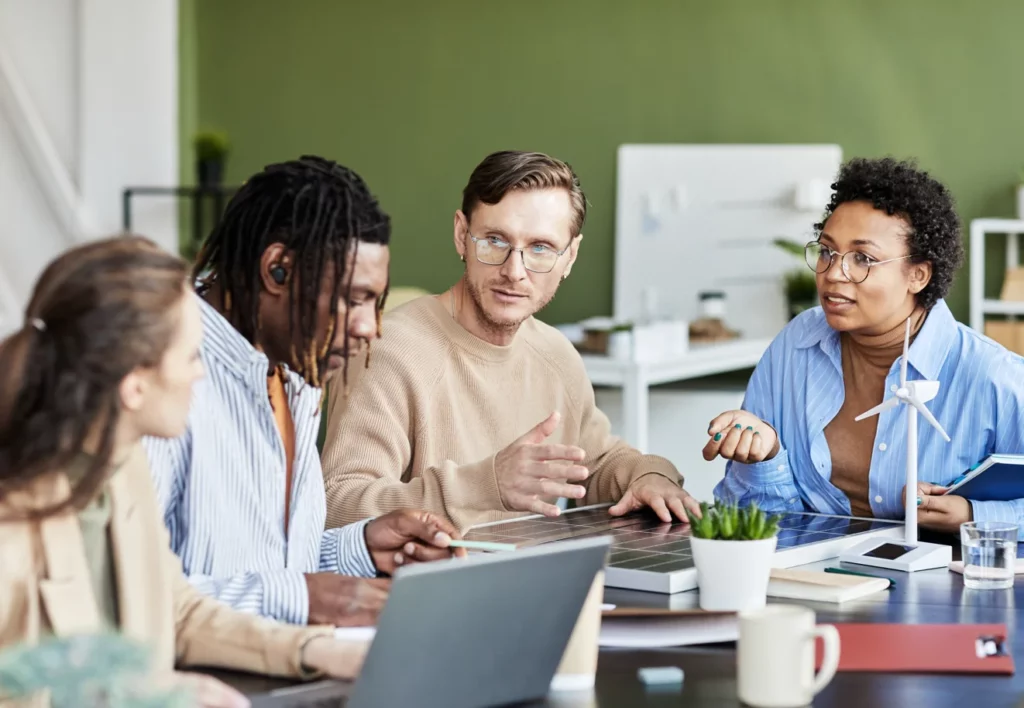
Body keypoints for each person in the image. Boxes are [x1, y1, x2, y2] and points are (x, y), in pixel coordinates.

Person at [0, 237, 374, 708]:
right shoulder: (11, 535)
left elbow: (177, 609)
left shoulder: (122, 468)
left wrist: (313, 650)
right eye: (192, 357)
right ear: (134, 385)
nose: (202, 375)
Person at [144, 156, 462, 629]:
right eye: (352, 300)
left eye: (375, 303)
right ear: (277, 271)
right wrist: (301, 597)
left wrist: (362, 547)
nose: (369, 328)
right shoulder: (155, 374)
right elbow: (125, 593)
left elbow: (271, 563)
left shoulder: (295, 372)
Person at [321, 150, 701, 532]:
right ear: (461, 236)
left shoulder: (556, 355)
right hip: (424, 587)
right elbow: (337, 505)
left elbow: (596, 463)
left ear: (570, 257)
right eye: (494, 241)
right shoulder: (388, 351)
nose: (514, 271)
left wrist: (647, 476)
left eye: (540, 248)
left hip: (534, 583)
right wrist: (486, 485)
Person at [706, 157, 1024, 535]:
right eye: (826, 251)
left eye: (863, 258)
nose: (833, 274)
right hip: (812, 581)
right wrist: (765, 457)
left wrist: (973, 515)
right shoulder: (795, 347)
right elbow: (756, 520)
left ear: (918, 275)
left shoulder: (994, 377)